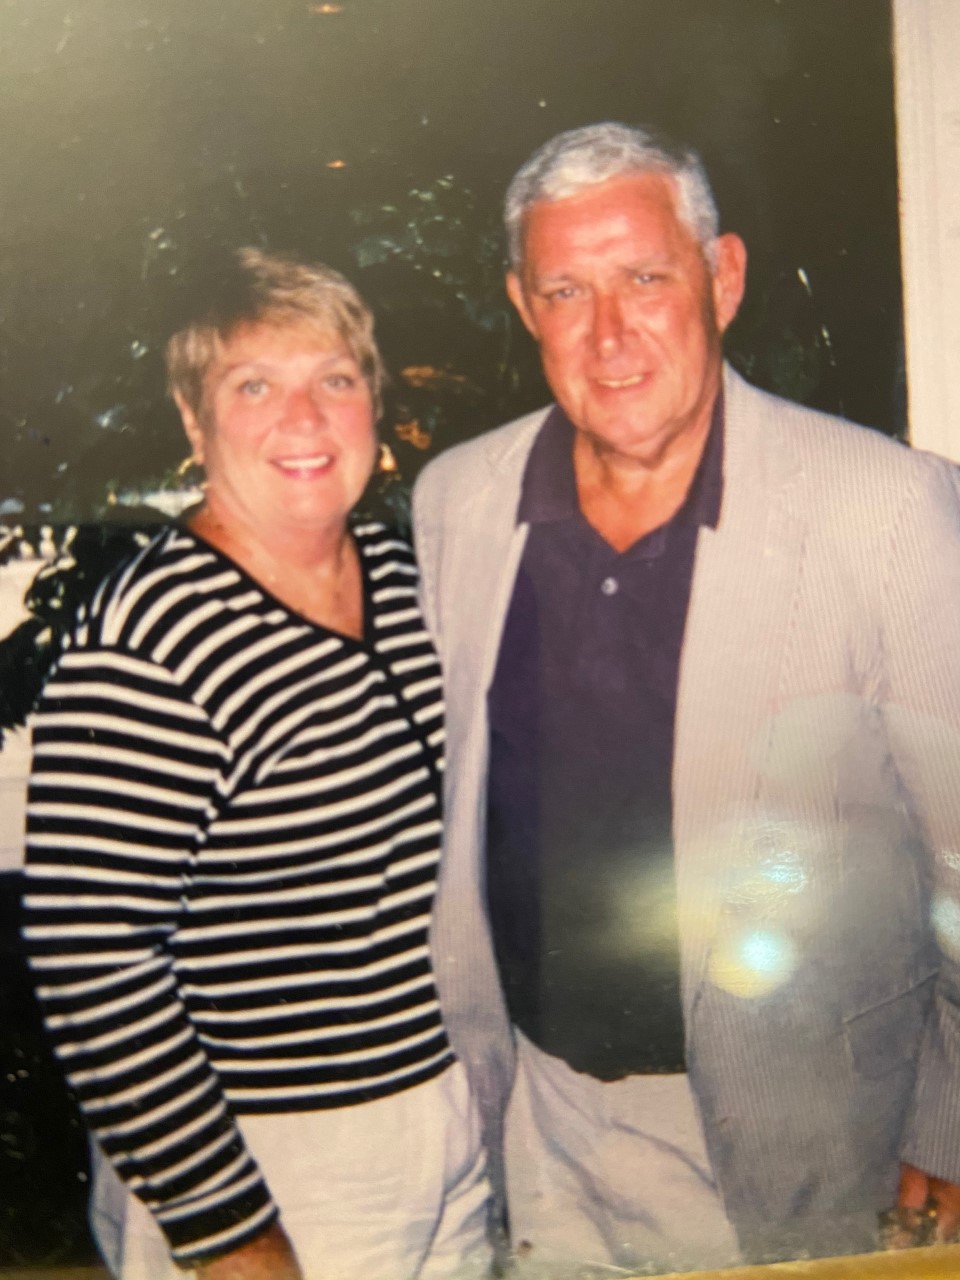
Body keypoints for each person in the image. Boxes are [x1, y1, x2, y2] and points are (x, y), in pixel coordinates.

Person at [412, 122, 960, 1275]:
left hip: (811, 1134)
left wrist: (952, 1124)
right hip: (539, 1119)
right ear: (522, 305)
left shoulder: (887, 507)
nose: (608, 333)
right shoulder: (459, 500)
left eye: (646, 278)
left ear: (724, 276)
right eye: (566, 289)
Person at [22, 247, 491, 1280]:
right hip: (272, 1158)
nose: (304, 418)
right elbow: (92, 955)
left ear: (374, 402)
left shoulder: (408, 577)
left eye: (335, 379)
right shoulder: (151, 638)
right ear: (195, 425)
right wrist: (230, 1232)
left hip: (448, 1121)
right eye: (253, 386)